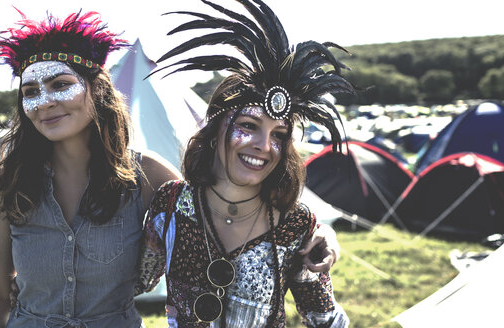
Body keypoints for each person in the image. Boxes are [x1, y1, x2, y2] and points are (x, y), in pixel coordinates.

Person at [0, 8, 340, 328]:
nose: (45, 103)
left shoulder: (148, 176)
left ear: (96, 89)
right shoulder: (6, 179)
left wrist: (320, 232)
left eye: (60, 85)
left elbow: (215, 204)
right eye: (30, 91)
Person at [136, 0, 357, 327]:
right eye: (249, 126)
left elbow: (326, 320)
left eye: (279, 135)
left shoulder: (295, 224)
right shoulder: (172, 205)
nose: (264, 146)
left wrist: (323, 234)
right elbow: (134, 283)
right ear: (215, 131)